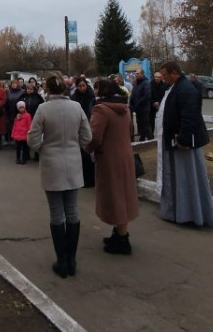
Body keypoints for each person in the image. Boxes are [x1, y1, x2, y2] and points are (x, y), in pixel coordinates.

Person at [27, 73, 92, 279]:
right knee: (72, 211)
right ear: (65, 89)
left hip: (51, 163)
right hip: (73, 162)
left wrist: (41, 149)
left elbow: (33, 137)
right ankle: (71, 260)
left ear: (47, 89)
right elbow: (87, 136)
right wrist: (76, 145)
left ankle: (61, 261)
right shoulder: (76, 107)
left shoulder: (43, 109)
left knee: (56, 213)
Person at [158, 61, 213, 227]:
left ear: (174, 73)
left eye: (165, 75)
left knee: (187, 179)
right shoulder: (177, 88)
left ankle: (191, 213)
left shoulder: (186, 89)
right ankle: (180, 212)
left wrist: (183, 139)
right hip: (176, 141)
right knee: (179, 179)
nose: (163, 79)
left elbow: (189, 117)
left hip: (184, 144)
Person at [87, 78, 140, 255]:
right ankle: (119, 233)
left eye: (97, 88)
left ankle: (123, 241)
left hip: (109, 159)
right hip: (125, 156)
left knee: (115, 196)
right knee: (123, 194)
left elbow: (94, 137)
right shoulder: (124, 108)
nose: (94, 91)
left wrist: (86, 148)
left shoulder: (100, 109)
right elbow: (131, 132)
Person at [129, 69, 152, 141]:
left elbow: (147, 96)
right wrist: (131, 103)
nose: (136, 75)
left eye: (138, 73)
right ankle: (142, 137)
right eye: (136, 74)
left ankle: (150, 138)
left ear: (142, 74)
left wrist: (137, 103)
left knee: (145, 124)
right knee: (140, 124)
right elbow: (133, 94)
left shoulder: (146, 83)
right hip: (137, 109)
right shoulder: (136, 84)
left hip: (144, 108)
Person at [5, 79, 26, 145]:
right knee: (11, 127)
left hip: (19, 112)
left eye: (15, 83)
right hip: (10, 111)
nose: (14, 85)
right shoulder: (8, 92)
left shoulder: (22, 91)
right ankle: (12, 140)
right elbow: (6, 102)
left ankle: (18, 141)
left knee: (19, 127)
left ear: (17, 84)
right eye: (12, 83)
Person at [150, 71, 166, 137]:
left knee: (162, 120)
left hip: (161, 104)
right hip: (151, 104)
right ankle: (151, 135)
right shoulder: (150, 84)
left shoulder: (164, 85)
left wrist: (159, 102)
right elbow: (148, 95)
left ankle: (162, 134)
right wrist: (153, 102)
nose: (157, 78)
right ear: (154, 77)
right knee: (151, 121)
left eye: (159, 77)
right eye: (156, 77)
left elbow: (164, 95)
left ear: (161, 78)